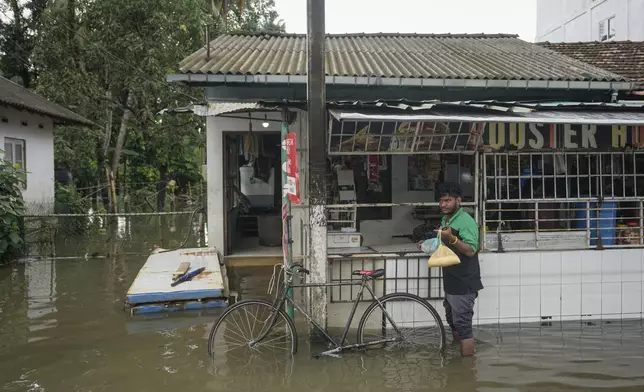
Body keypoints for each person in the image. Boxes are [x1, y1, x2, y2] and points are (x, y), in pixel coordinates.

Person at [421, 182, 483, 357]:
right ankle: (458, 358)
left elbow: (471, 250)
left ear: (458, 201)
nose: (443, 205)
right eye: (441, 201)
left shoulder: (466, 221)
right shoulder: (447, 220)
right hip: (451, 279)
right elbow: (443, 243)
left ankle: (467, 369)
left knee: (463, 325)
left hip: (464, 280)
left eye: (447, 200)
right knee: (453, 321)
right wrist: (426, 244)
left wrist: (453, 238)